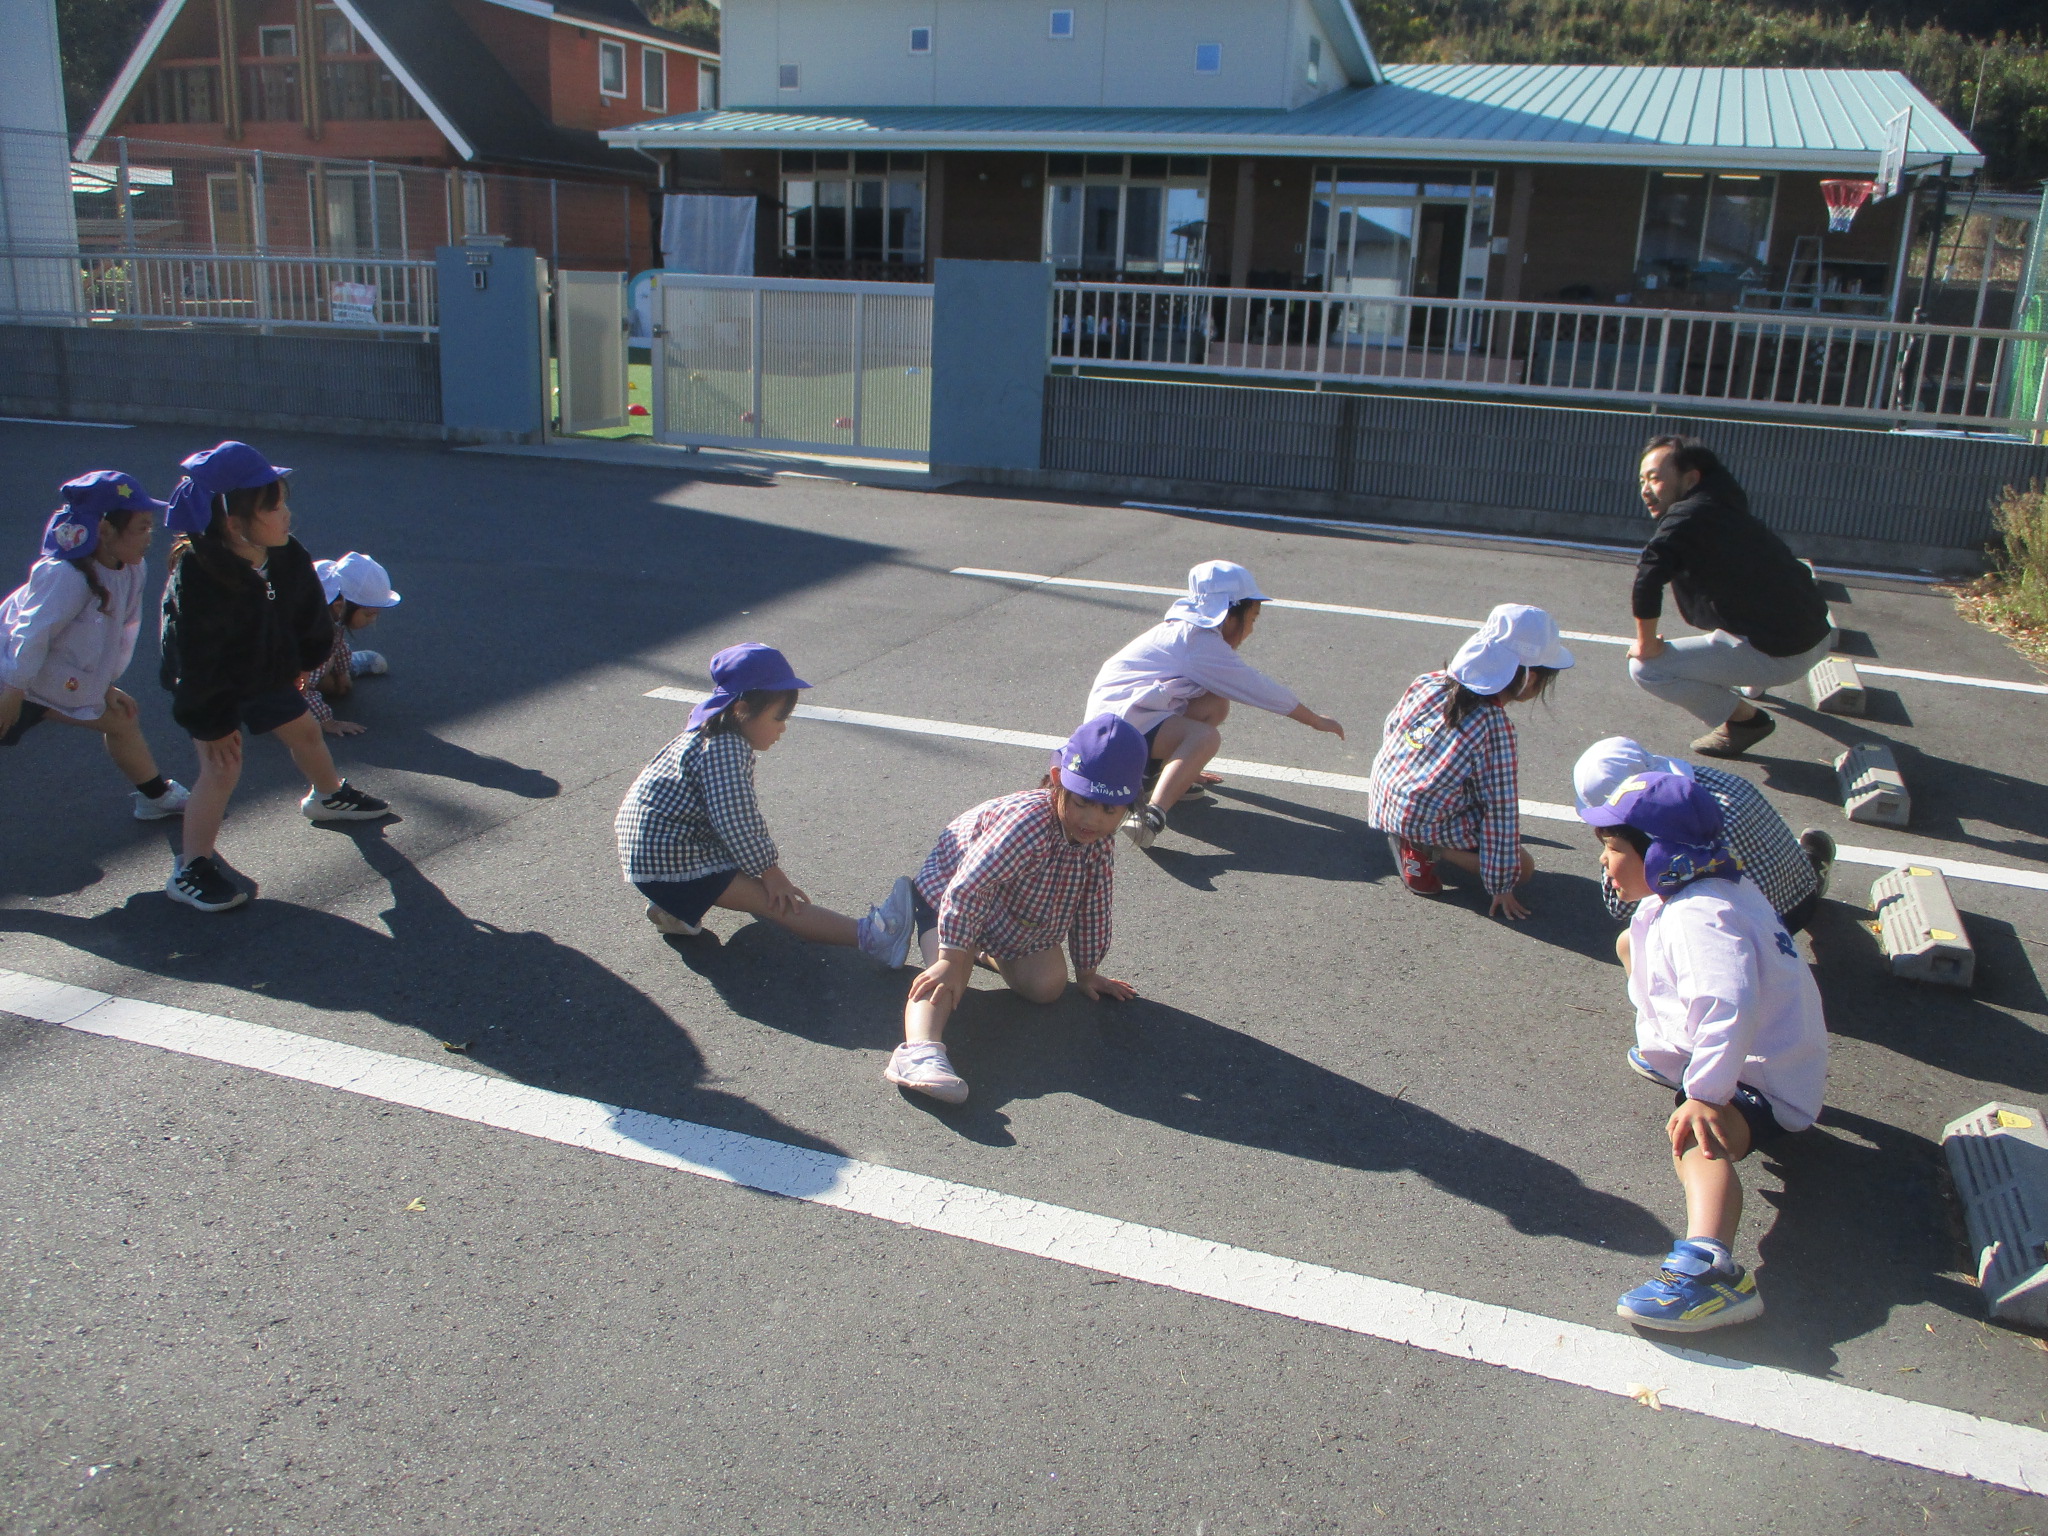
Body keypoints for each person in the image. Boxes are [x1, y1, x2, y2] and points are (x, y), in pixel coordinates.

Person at [1581, 770, 1827, 1333]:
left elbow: (1729, 1004)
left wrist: (1705, 1094)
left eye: (1614, 848)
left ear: (1660, 854)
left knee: (1695, 1135)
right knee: (1630, 941)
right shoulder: (1713, 888)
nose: (1603, 860)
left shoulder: (1699, 918)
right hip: (1768, 1052)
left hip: (1761, 1078)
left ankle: (1712, 1269)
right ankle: (1675, 1055)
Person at [159, 441, 392, 913]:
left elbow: (309, 615)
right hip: (213, 687)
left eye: (284, 502)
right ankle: (191, 867)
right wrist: (213, 722)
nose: (287, 514)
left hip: (266, 671)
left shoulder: (286, 554)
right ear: (233, 523)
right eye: (275, 506)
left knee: (305, 730)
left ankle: (327, 796)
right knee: (222, 767)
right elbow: (194, 659)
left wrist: (303, 662)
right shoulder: (198, 577)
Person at [883, 714, 1144, 1106]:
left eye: (1109, 810)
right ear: (1057, 780)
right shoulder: (1026, 824)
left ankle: (978, 950)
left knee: (1047, 987)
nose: (1093, 819)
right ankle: (918, 1052)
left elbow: (1094, 905)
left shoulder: (1099, 841)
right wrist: (952, 959)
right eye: (1083, 802)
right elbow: (969, 887)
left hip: (1009, 912)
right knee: (948, 977)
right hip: (947, 898)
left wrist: (1088, 971)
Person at [616, 642, 914, 961]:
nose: (783, 728)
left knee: (741, 877)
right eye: (778, 717)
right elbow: (736, 822)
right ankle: (877, 937)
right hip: (674, 859)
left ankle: (673, 909)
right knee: (778, 903)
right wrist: (770, 873)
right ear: (741, 709)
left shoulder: (705, 731)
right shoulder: (726, 749)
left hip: (649, 855)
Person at [1083, 560, 1345, 850]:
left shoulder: (1187, 633)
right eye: (1252, 619)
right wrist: (1314, 720)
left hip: (1121, 724)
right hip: (1113, 735)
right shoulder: (1197, 643)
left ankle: (1159, 774)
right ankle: (1150, 817)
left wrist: (1186, 765)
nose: (1251, 630)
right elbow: (1256, 687)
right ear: (1230, 614)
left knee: (1215, 703)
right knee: (1206, 737)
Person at [1629, 436, 1835, 758]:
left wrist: (1646, 645)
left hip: (1784, 655)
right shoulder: (1724, 500)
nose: (1645, 489)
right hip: (1818, 635)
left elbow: (1648, 577)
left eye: (1654, 478)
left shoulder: (1686, 518)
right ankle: (1753, 681)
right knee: (1742, 594)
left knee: (1647, 669)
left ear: (1691, 479)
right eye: (1642, 480)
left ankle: (1745, 722)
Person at [0, 471, 189, 819]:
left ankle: (156, 797)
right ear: (103, 530)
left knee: (120, 719)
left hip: (45, 680)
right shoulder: (66, 575)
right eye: (141, 528)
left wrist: (102, 685)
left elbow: (115, 634)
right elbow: (31, 635)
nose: (150, 536)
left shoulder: (131, 569)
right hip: (13, 675)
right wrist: (12, 691)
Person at [1367, 603, 1573, 920]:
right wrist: (1501, 883)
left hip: (1386, 799)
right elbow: (1500, 807)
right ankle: (1427, 846)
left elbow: (1393, 729)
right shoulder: (1494, 726)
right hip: (1423, 816)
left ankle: (1409, 833)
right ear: (1530, 679)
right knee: (1524, 867)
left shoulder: (1429, 681)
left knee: (1454, 787)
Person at [1573, 736, 1835, 934]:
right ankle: (1813, 864)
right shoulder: (1712, 781)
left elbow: (1621, 904)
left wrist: (1616, 845)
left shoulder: (1663, 836)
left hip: (1746, 934)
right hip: (1802, 898)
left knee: (1631, 937)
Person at [302, 551, 399, 737]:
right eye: (369, 614)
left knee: (338, 685)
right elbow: (299, 688)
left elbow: (337, 642)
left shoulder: (329, 608)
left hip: (290, 664)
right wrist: (327, 721)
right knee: (315, 685)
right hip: (271, 675)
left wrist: (341, 672)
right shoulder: (314, 636)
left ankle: (346, 667)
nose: (373, 620)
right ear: (340, 606)